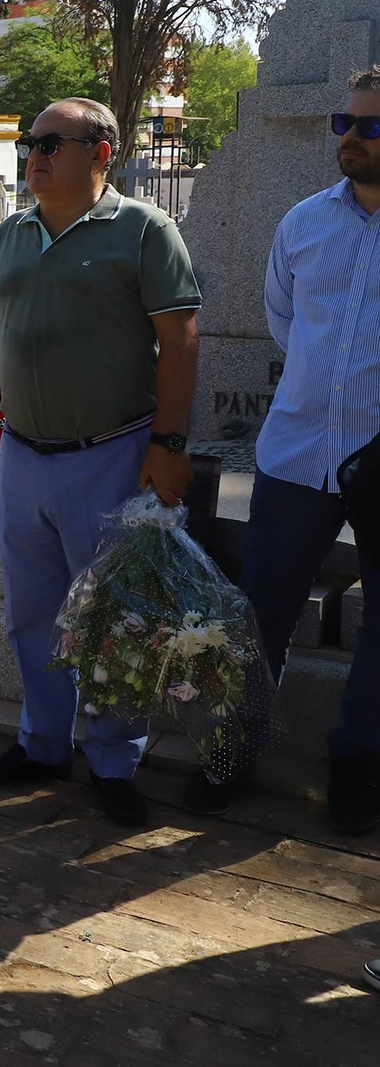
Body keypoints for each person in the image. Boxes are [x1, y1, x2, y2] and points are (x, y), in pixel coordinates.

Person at [0, 98, 200, 828]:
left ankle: (116, 759)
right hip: (26, 455)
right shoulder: (12, 235)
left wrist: (169, 444)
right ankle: (43, 743)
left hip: (112, 453)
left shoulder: (144, 231)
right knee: (33, 614)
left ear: (101, 152)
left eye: (51, 142)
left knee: (115, 620)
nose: (33, 153)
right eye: (31, 141)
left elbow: (180, 341)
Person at [181, 69, 380, 833]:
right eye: (344, 122)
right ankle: (233, 748)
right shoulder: (302, 223)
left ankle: (357, 765)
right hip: (297, 457)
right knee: (262, 608)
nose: (353, 137)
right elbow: (285, 321)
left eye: (370, 126)